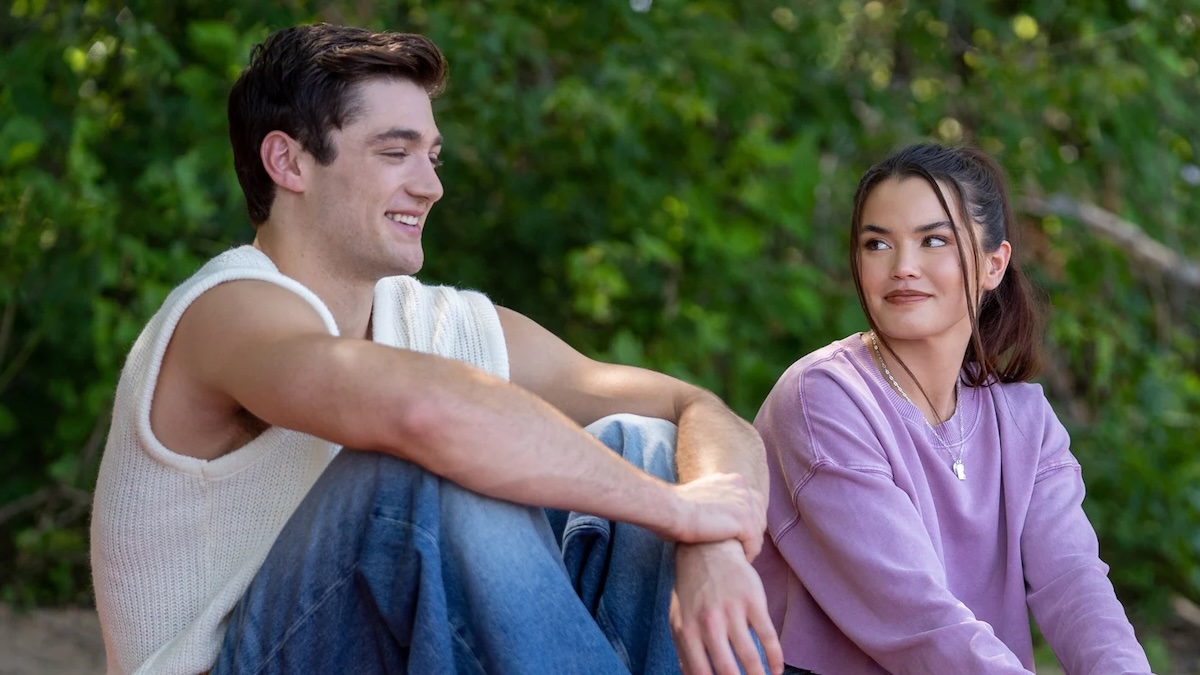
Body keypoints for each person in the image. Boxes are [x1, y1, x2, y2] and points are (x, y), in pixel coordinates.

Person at [89, 23, 784, 675]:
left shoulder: (435, 322)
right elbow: (426, 415)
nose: (431, 185)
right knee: (415, 477)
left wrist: (710, 536)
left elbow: (695, 405)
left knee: (647, 444)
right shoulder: (229, 310)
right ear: (288, 161)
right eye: (395, 153)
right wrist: (673, 508)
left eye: (431, 154)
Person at [751, 142, 1152, 674]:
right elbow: (917, 619)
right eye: (877, 245)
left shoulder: (1023, 419)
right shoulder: (823, 399)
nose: (903, 267)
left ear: (993, 264)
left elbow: (1073, 582)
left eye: (933, 240)